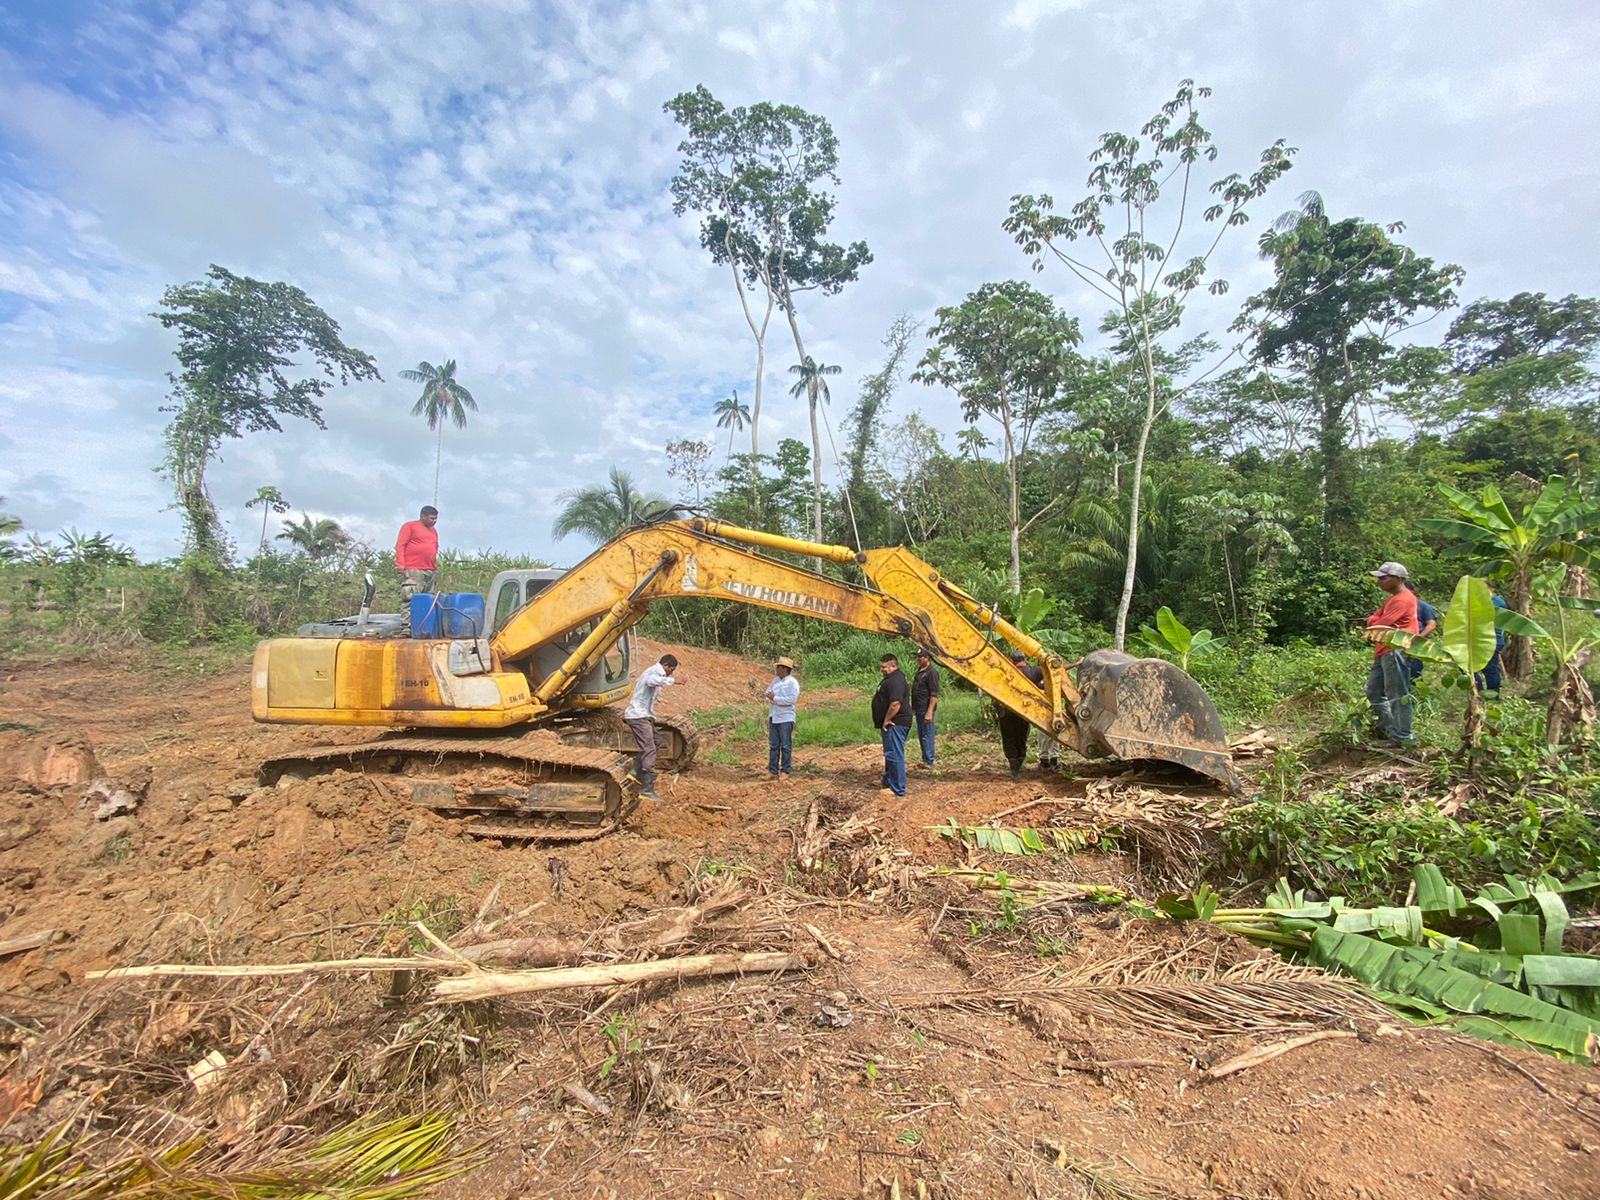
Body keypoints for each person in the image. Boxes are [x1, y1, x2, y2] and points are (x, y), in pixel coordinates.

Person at [1362, 561, 1419, 744]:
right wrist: (1374, 620)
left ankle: (1403, 735)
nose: (1379, 582)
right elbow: (1374, 619)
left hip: (1395, 649)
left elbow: (1379, 623)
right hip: (1383, 649)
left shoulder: (1403, 599)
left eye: (1384, 578)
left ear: (1399, 579)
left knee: (1397, 693)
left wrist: (1374, 620)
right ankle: (1387, 729)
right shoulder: (1392, 599)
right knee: (1374, 691)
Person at [623, 653, 679, 800]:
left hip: (644, 715)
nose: (671, 673)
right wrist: (673, 681)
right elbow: (651, 681)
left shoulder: (657, 672)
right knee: (649, 748)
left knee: (657, 742)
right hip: (638, 715)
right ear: (666, 665)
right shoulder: (654, 672)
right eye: (671, 670)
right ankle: (646, 789)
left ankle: (635, 771)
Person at [872, 653, 912, 799]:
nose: (882, 669)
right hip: (893, 723)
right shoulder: (891, 679)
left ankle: (897, 789)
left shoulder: (896, 680)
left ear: (893, 666)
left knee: (895, 755)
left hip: (896, 722)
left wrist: (887, 719)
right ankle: (888, 782)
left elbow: (895, 703)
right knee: (890, 754)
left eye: (884, 667)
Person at [395, 505, 440, 635]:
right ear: (423, 516)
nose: (434, 521)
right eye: (431, 518)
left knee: (428, 600)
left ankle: (423, 629)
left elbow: (435, 547)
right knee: (410, 598)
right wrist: (401, 564)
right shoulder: (410, 526)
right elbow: (400, 545)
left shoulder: (433, 531)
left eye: (436, 519)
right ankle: (406, 628)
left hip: (429, 569)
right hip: (414, 568)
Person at [996, 650, 1038, 778]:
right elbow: (1054, 671)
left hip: (1007, 712)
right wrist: (1075, 664)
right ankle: (1020, 764)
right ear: (1024, 660)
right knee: (1021, 737)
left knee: (1009, 739)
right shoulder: (1033, 672)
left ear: (1011, 661)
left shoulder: (1005, 672)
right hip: (1024, 712)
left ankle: (1014, 769)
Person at [765, 656, 800, 781]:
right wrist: (773, 698)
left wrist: (776, 699)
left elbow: (792, 699)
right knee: (774, 745)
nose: (776, 669)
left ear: (785, 669)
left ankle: (785, 770)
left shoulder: (792, 683)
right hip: (774, 716)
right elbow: (767, 693)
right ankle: (772, 771)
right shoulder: (775, 681)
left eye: (779, 667)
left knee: (785, 745)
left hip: (785, 717)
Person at [910, 649, 941, 769]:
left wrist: (929, 712)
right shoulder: (920, 671)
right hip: (919, 708)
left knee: (927, 734)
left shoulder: (932, 673)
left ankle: (929, 760)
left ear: (927, 657)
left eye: (921, 657)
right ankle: (925, 759)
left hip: (926, 709)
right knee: (922, 734)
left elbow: (934, 694)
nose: (919, 659)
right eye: (918, 657)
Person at [1478, 584, 1509, 694]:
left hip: (1492, 639)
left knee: (1490, 669)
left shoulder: (1496, 602)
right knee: (1472, 669)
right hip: (1480, 640)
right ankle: (1479, 692)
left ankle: (1492, 695)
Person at [1404, 583, 1438, 683]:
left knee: (1414, 669)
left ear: (1413, 592)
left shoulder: (1422, 606)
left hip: (1415, 642)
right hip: (1400, 641)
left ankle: (1417, 694)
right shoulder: (1397, 605)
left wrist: (1419, 637)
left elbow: (1431, 624)